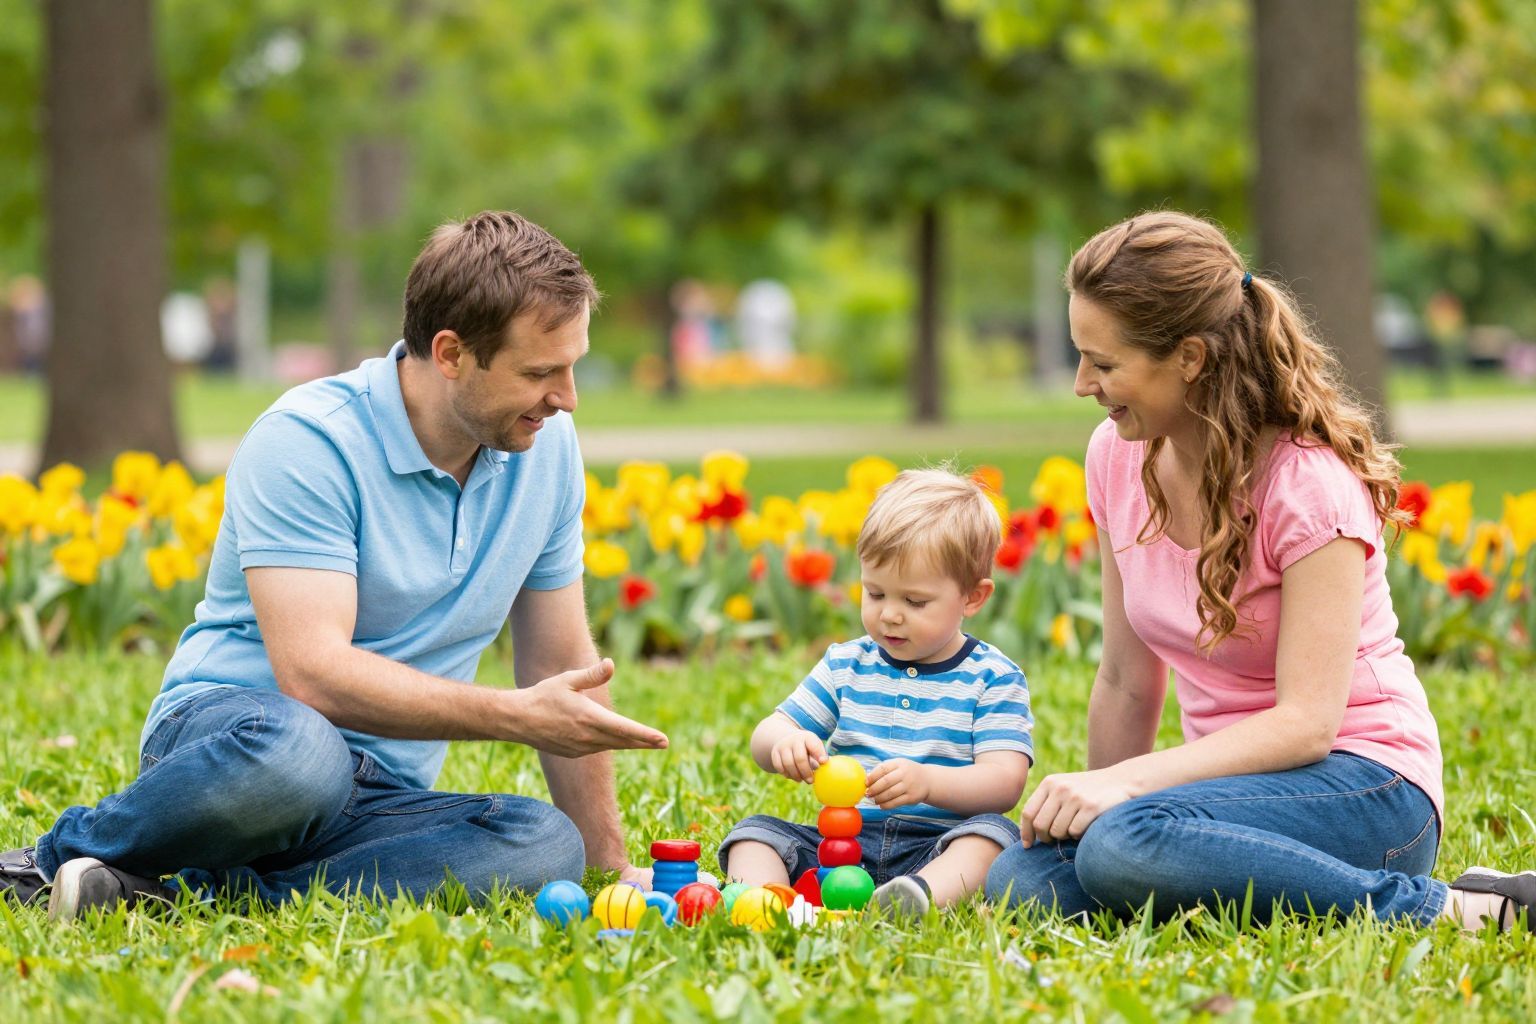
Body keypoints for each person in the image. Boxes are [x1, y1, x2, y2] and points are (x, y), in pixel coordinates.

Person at [0, 212, 669, 918]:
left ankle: (180, 892)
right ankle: (49, 859)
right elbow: (312, 673)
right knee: (303, 758)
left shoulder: (547, 450)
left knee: (538, 846)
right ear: (449, 354)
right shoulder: (309, 441)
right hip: (244, 746)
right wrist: (514, 716)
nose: (567, 398)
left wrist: (609, 863)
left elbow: (560, 663)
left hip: (378, 798)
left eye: (572, 366)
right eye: (541, 372)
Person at [982, 211, 1536, 931]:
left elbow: (1308, 724)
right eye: (1081, 356)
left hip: (1365, 787)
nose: (1084, 382)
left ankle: (1453, 908)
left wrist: (1124, 790)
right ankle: (1204, 869)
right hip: (1225, 792)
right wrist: (1092, 800)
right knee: (1025, 878)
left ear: (1189, 357)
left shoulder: (1308, 485)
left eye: (1106, 363)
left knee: (1125, 846)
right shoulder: (1116, 457)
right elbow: (1125, 678)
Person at [720, 469, 1034, 916]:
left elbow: (1005, 782)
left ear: (973, 597)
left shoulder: (993, 677)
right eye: (875, 592)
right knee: (755, 834)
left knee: (990, 838)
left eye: (914, 602)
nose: (889, 615)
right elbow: (768, 732)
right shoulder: (847, 665)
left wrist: (930, 782)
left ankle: (915, 899)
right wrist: (783, 743)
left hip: (936, 848)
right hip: (840, 845)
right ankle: (766, 905)